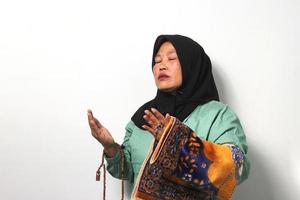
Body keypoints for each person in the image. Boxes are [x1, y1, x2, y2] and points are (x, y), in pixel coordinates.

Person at [87, 34, 250, 200]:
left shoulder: (217, 115)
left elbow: (237, 169)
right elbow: (130, 171)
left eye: (172, 58)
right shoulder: (144, 116)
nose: (161, 66)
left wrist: (175, 141)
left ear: (191, 65)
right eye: (157, 61)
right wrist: (111, 148)